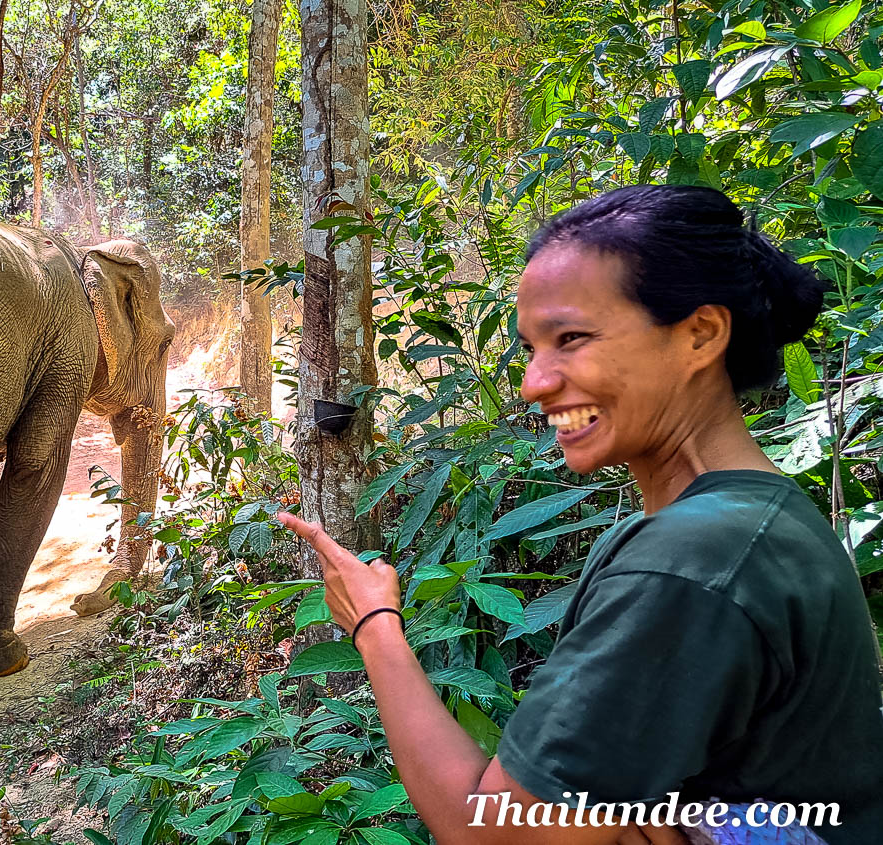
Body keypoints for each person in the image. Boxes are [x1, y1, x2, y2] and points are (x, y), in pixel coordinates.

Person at [278, 185, 883, 845]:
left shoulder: (692, 561)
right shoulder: (764, 515)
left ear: (701, 334)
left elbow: (498, 835)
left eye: (571, 338)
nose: (534, 381)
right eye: (534, 348)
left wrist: (375, 627)